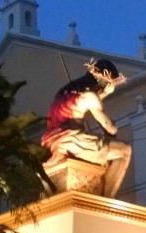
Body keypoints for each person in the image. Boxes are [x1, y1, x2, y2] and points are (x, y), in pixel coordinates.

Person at [42, 59, 132, 197]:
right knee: (124, 150)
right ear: (104, 83)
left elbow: (90, 102)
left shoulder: (63, 94)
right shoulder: (90, 96)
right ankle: (108, 197)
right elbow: (110, 127)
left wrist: (105, 94)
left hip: (50, 144)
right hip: (72, 141)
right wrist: (112, 128)